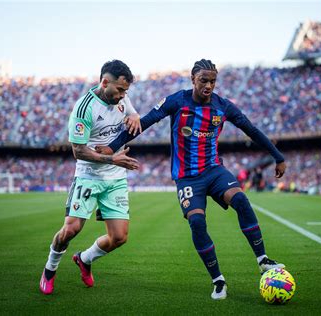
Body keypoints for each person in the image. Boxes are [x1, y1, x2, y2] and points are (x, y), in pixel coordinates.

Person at [96, 59, 287, 300]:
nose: (209, 85)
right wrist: (112, 147)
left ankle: (263, 260)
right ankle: (218, 281)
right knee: (197, 222)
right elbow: (144, 123)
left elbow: (252, 130)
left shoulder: (223, 107)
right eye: (204, 80)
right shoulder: (177, 101)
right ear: (193, 80)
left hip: (214, 170)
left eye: (213, 81)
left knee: (241, 201)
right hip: (187, 178)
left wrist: (277, 156)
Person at [39, 60, 142, 295]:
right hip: (88, 176)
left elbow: (131, 110)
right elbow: (79, 151)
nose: (124, 95)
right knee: (71, 229)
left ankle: (84, 259)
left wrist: (135, 115)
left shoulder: (121, 97)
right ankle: (49, 269)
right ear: (105, 82)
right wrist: (112, 159)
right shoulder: (84, 108)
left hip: (115, 178)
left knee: (119, 237)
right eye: (120, 90)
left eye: (126, 91)